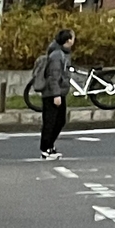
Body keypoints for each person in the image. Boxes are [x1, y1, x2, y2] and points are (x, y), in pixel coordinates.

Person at [32, 29, 75, 159]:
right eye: (73, 37)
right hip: (52, 93)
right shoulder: (57, 55)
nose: (74, 40)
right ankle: (45, 149)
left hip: (58, 92)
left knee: (60, 120)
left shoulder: (62, 53)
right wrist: (56, 94)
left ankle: (49, 146)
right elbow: (53, 76)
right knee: (51, 121)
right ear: (68, 40)